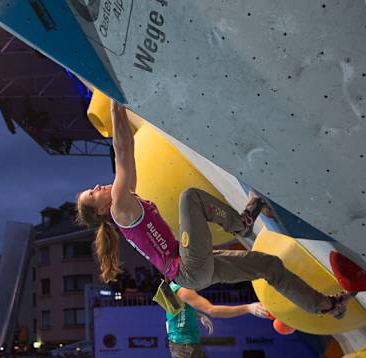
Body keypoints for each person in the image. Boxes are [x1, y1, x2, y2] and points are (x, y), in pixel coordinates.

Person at [75, 100, 354, 319]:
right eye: (93, 193)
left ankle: (327, 306)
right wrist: (113, 107)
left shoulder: (128, 197)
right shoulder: (120, 208)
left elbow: (130, 145)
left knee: (268, 265)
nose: (98, 186)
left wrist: (120, 110)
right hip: (187, 267)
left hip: (195, 266)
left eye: (93, 187)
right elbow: (121, 151)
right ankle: (241, 224)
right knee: (190, 198)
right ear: (101, 210)